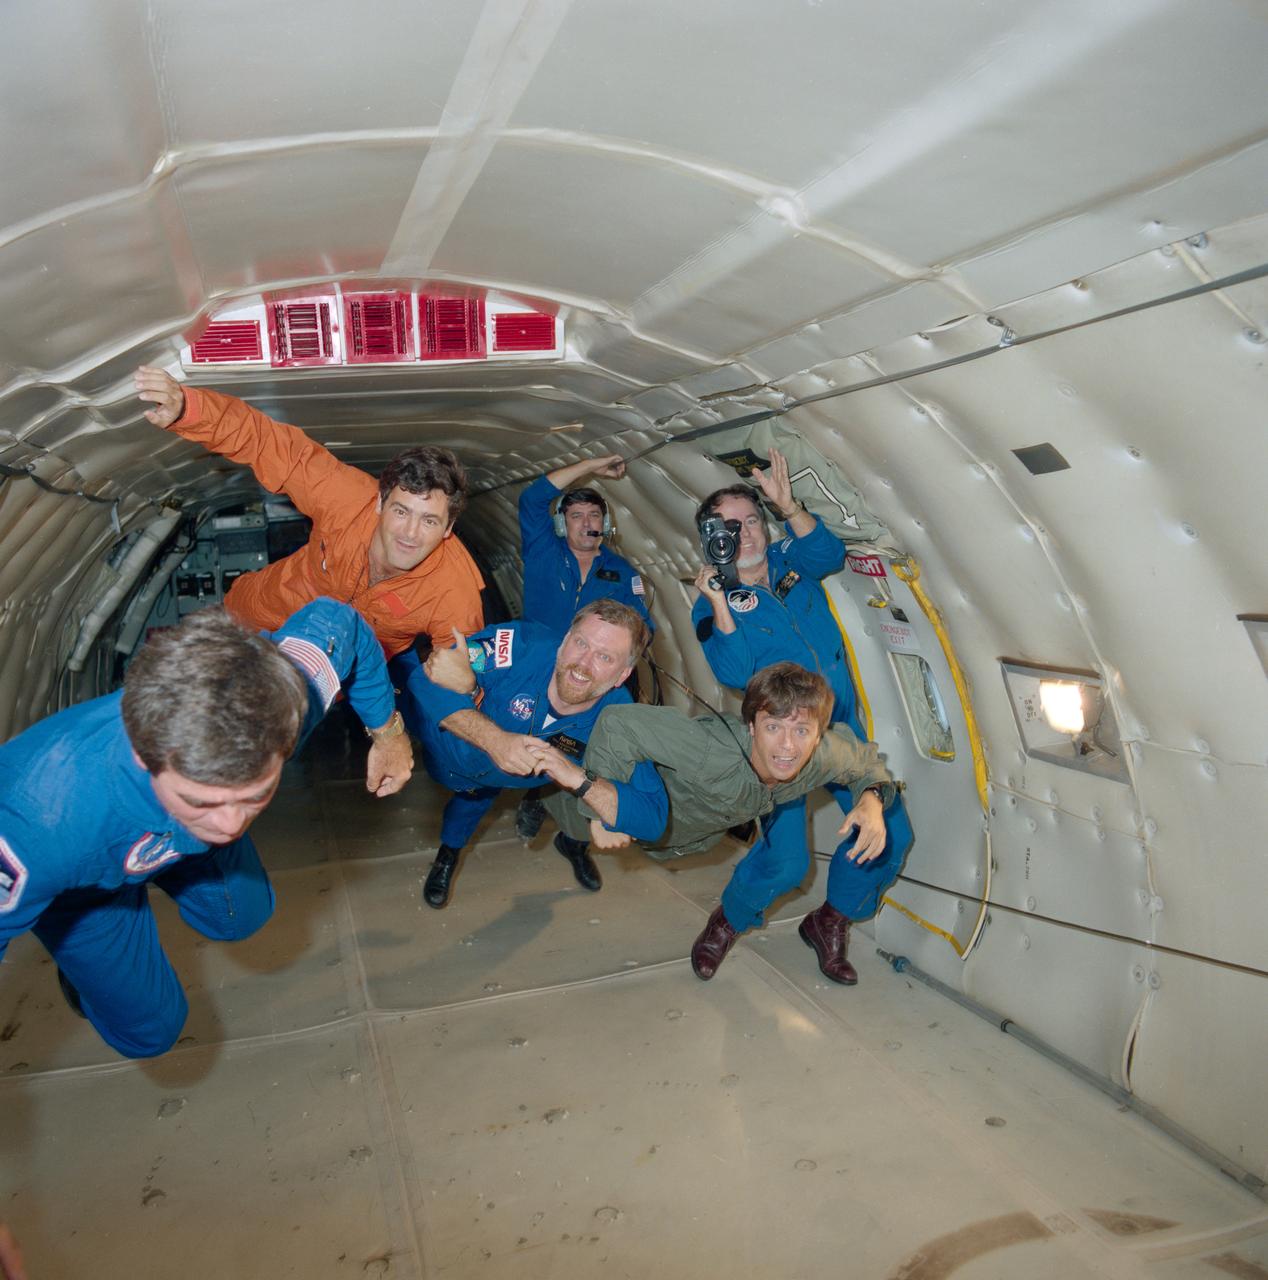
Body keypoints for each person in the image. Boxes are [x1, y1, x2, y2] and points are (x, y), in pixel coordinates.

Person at [0, 600, 411, 1059]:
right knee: (151, 1033)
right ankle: (87, 971)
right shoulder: (33, 819)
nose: (231, 825)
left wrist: (389, 734)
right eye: (202, 801)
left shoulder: (279, 703)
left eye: (255, 795)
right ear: (143, 755)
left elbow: (341, 624)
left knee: (244, 917)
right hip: (84, 885)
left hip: (176, 846)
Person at [535, 662, 912, 985]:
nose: (787, 746)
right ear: (751, 726)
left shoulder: (821, 755)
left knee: (789, 865)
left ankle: (725, 924)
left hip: (702, 828)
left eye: (801, 731)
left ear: (817, 736)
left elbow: (864, 760)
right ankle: (539, 805)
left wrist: (872, 799)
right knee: (568, 814)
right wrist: (599, 811)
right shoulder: (710, 750)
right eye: (773, 727)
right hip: (642, 807)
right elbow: (619, 723)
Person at [690, 447, 913, 981]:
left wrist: (789, 507)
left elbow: (829, 555)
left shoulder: (790, 560)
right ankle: (729, 919)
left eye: (750, 520)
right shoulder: (711, 602)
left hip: (837, 726)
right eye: (727, 528)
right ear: (710, 539)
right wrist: (720, 601)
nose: (743, 534)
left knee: (889, 833)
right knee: (788, 861)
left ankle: (830, 919)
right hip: (780, 742)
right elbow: (734, 671)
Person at [135, 366, 485, 658]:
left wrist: (465, 691)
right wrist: (190, 409)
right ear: (380, 503)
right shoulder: (346, 498)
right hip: (262, 608)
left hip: (326, 670)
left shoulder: (454, 594)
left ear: (448, 528)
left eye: (429, 520)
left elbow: (468, 674)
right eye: (401, 511)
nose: (410, 533)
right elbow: (268, 443)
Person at [396, 599, 653, 907]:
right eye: (581, 643)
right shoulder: (521, 646)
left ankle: (447, 856)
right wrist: (495, 740)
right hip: (439, 739)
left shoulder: (620, 719)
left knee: (469, 806)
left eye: (605, 657)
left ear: (623, 675)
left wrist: (607, 811)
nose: (584, 663)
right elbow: (425, 679)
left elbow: (641, 792)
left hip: (494, 779)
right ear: (564, 641)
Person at [517, 456, 653, 637]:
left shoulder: (624, 572)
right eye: (577, 516)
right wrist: (588, 466)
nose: (587, 523)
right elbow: (532, 499)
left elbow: (643, 629)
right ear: (562, 524)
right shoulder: (542, 549)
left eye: (594, 515)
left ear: (605, 523)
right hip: (537, 653)